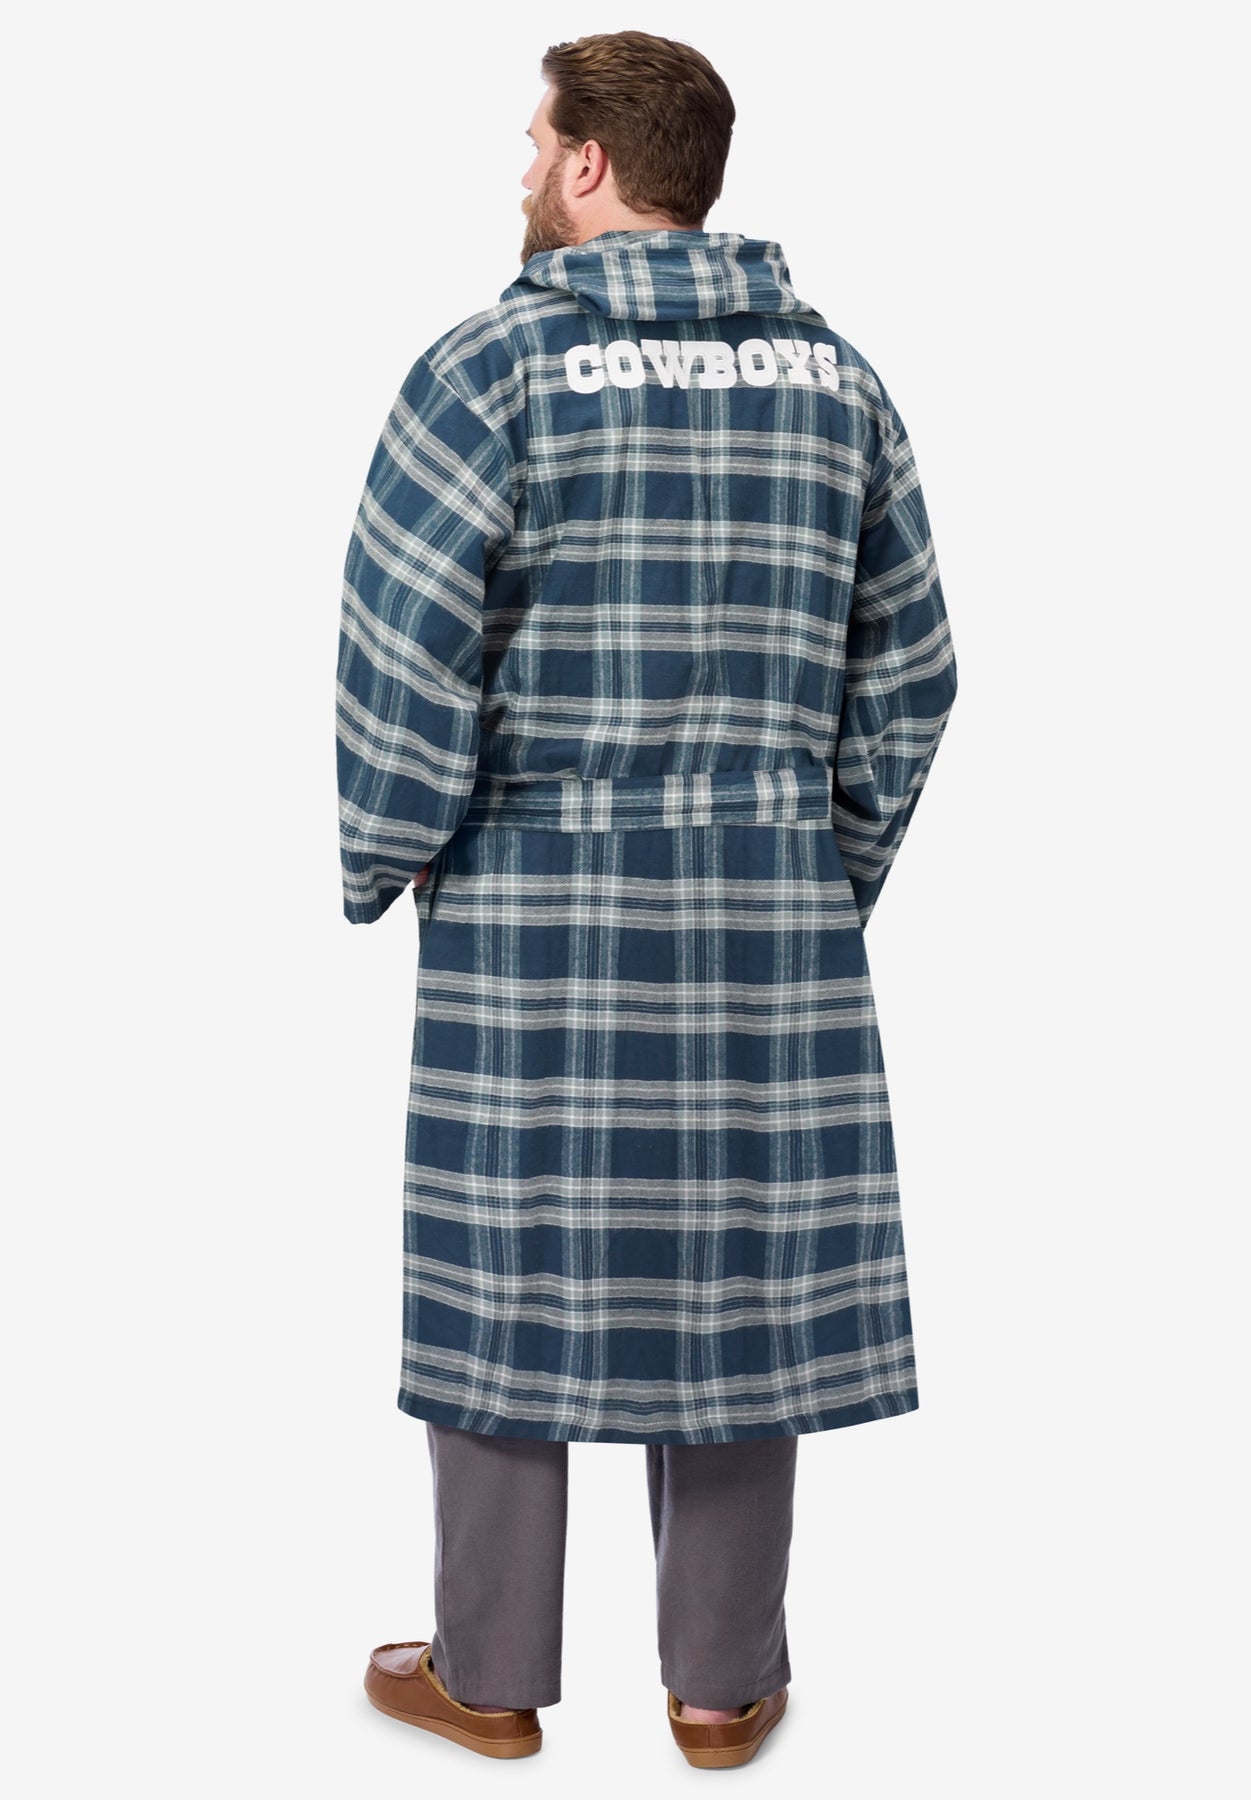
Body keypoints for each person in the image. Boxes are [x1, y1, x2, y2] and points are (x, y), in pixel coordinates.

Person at [336, 28, 958, 1767]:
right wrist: (821, 861)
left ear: (593, 163)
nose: (524, 167)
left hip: (532, 903)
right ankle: (719, 1687)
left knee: (505, 1266)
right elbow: (912, 668)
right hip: (769, 914)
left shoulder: (489, 369)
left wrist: (393, 844)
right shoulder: (838, 382)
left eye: (537, 140)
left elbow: (403, 643)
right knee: (746, 1270)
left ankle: (488, 1677)